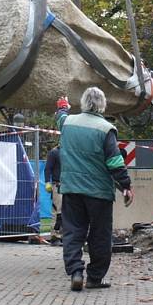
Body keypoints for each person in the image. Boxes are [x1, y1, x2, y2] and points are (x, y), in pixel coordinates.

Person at [55, 88, 134, 292]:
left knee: (72, 232)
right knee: (100, 236)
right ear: (102, 105)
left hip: (72, 189)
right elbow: (115, 162)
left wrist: (63, 106)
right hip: (99, 193)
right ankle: (95, 278)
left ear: (83, 102)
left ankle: (76, 272)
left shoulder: (68, 123)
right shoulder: (106, 128)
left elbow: (60, 118)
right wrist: (125, 185)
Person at [44, 145, 62, 245]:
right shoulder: (54, 152)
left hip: (70, 186)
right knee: (58, 212)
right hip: (58, 186)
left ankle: (64, 235)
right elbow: (48, 169)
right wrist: (47, 182)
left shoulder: (69, 151)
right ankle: (55, 236)